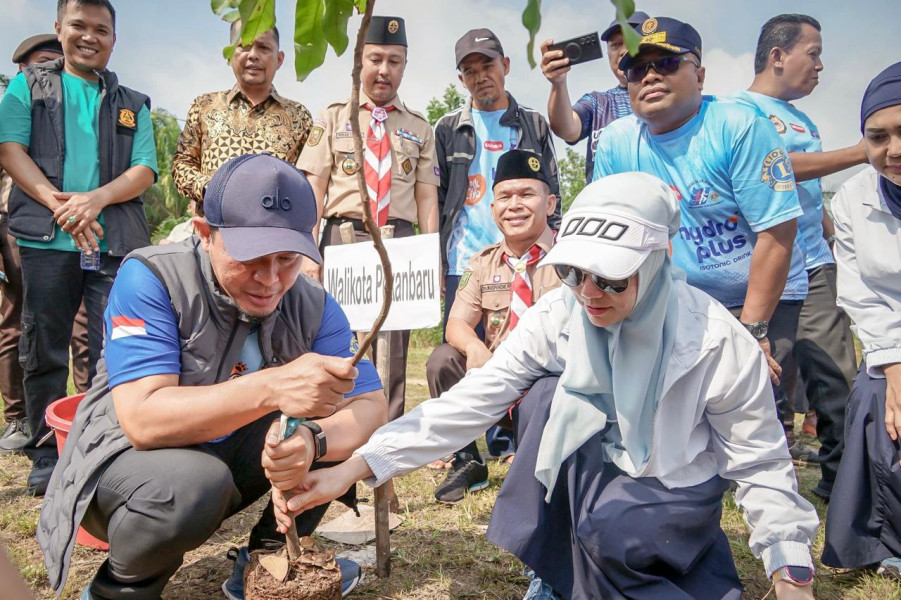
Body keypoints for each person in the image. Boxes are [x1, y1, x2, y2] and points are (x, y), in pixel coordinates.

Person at [275, 172, 819, 600]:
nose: (589, 293)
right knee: (545, 396)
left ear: (657, 264)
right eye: (574, 272)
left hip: (671, 487)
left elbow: (761, 463)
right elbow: (472, 402)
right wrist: (354, 467)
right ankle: (558, 569)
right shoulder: (558, 314)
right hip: (588, 476)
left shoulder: (717, 343)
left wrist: (791, 572)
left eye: (610, 277)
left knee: (622, 533)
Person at [36, 154, 387, 599]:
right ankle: (118, 590)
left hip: (225, 460)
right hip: (123, 468)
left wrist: (312, 441)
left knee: (325, 421)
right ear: (205, 234)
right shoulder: (152, 278)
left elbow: (371, 406)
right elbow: (143, 420)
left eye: (287, 259)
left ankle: (268, 561)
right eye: (251, 258)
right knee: (193, 484)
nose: (270, 280)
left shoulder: (314, 305)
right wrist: (273, 387)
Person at [590, 16, 810, 455]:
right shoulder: (616, 142)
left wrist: (753, 330)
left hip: (759, 290)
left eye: (667, 63)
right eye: (637, 70)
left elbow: (777, 233)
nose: (650, 75)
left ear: (701, 74)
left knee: (752, 398)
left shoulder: (740, 126)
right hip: (678, 293)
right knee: (682, 414)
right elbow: (613, 239)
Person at [0, 0, 158, 495]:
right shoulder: (27, 87)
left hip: (113, 247)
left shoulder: (134, 102)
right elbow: (9, 149)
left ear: (114, 38)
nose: (90, 37)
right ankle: (46, 455)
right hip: (47, 241)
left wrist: (96, 200)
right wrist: (57, 203)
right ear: (59, 29)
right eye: (79, 26)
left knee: (114, 351)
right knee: (43, 348)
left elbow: (144, 170)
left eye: (101, 29)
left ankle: (103, 449)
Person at [731, 13, 865, 501]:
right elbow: (778, 167)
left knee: (838, 373)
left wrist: (832, 240)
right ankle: (763, 480)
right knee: (770, 374)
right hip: (770, 266)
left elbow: (805, 196)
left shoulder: (803, 118)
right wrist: (861, 153)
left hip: (815, 262)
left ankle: (843, 482)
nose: (821, 65)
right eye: (814, 53)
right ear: (777, 56)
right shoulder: (738, 112)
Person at [298, 15, 439, 423]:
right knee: (338, 344)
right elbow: (315, 188)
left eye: (394, 61)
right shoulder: (333, 117)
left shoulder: (418, 127)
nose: (384, 70)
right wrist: (308, 251)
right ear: (359, 60)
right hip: (343, 239)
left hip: (401, 242)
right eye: (375, 58)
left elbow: (426, 195)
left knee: (393, 352)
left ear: (404, 65)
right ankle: (338, 448)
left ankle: (385, 459)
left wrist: (429, 254)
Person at [428, 149, 560, 503]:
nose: (514, 205)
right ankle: (468, 459)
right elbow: (457, 322)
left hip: (549, 389)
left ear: (549, 203)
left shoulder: (571, 256)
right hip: (497, 383)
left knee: (550, 386)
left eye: (526, 194)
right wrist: (474, 348)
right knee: (443, 359)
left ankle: (543, 463)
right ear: (492, 208)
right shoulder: (481, 262)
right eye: (504, 196)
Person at [822, 61, 901, 580]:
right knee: (875, 399)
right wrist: (895, 366)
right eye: (878, 137)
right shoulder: (854, 197)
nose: (893, 151)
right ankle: (885, 539)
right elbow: (861, 293)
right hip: (893, 340)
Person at [436, 28, 560, 322]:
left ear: (505, 65)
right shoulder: (447, 128)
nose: (480, 77)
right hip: (464, 264)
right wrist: (438, 261)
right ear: (461, 79)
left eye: (488, 66)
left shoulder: (534, 123)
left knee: (534, 352)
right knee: (461, 354)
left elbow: (553, 194)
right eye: (470, 71)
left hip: (528, 261)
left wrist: (554, 255)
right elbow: (439, 200)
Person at [0, 33, 72, 455]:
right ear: (24, 67)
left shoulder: (70, 106)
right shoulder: (17, 100)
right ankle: (18, 418)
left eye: (55, 62)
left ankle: (77, 416)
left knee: (74, 329)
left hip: (71, 227)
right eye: (41, 63)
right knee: (18, 322)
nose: (49, 71)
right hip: (14, 223)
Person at [172, 22, 312, 212]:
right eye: (244, 46)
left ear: (279, 59)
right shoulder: (204, 106)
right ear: (230, 55)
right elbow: (182, 165)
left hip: (275, 231)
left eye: (263, 47)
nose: (253, 55)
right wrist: (213, 188)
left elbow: (309, 180)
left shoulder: (299, 116)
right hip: (213, 232)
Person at [539, 11, 648, 182]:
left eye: (631, 42)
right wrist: (558, 83)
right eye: (615, 45)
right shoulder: (598, 103)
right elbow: (566, 129)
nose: (623, 51)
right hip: (605, 205)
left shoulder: (670, 98)